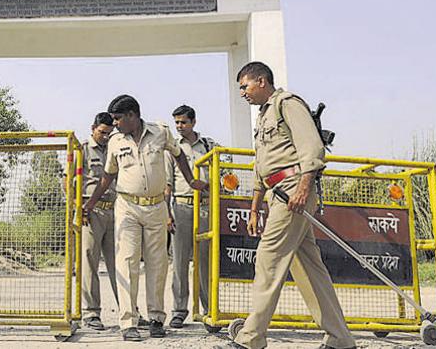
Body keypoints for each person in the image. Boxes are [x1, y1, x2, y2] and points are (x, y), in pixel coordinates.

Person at [231, 62, 356, 349]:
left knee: (268, 259)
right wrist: (254, 207)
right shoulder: (264, 116)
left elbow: (312, 148)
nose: (243, 93)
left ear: (261, 81)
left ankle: (251, 339)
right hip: (278, 191)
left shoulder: (288, 104)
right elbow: (262, 166)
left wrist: (303, 188)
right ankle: (340, 339)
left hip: (293, 189)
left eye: (245, 86)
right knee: (308, 267)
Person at [83, 94, 208, 341]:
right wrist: (91, 203)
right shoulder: (116, 141)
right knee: (127, 262)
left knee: (157, 264)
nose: (115, 123)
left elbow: (179, 155)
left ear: (132, 115)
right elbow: (108, 176)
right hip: (127, 207)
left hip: (156, 208)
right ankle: (128, 322)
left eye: (119, 118)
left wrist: (192, 180)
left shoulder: (160, 132)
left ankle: (156, 319)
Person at [164, 105, 215, 328]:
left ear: (193, 122)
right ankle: (179, 310)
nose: (179, 127)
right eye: (176, 122)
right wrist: (167, 213)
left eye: (183, 122)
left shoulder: (210, 146)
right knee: (180, 261)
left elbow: (226, 176)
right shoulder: (172, 149)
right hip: (181, 208)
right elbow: (167, 185)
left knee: (205, 262)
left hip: (205, 208)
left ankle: (209, 310)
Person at [79, 112, 119, 330]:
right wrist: (77, 209)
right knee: (89, 262)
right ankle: (92, 313)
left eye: (109, 133)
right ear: (93, 128)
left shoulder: (115, 149)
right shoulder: (83, 150)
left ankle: (129, 312)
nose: (105, 136)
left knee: (120, 264)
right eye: (102, 132)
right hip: (90, 212)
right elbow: (68, 181)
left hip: (115, 211)